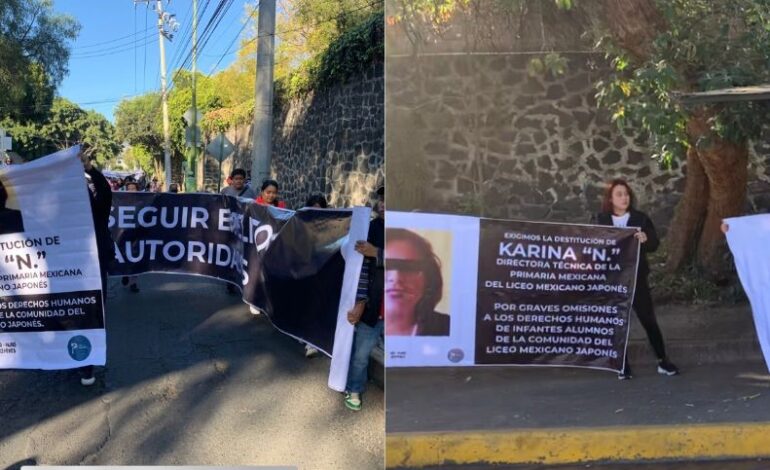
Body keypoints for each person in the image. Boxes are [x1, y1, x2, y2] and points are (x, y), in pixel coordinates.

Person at [593, 178, 679, 379]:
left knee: (649, 320)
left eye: (626, 194)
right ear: (611, 199)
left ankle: (662, 361)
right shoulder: (601, 219)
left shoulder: (640, 219)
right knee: (617, 323)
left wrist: (645, 239)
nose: (624, 198)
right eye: (619, 194)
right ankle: (621, 365)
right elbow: (594, 247)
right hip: (613, 280)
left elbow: (654, 245)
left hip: (637, 278)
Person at [344, 186, 384, 411]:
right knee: (361, 354)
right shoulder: (370, 228)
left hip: (404, 311)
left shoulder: (410, 229)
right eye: (382, 198)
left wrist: (378, 253)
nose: (384, 203)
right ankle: (355, 388)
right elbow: (361, 270)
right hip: (376, 307)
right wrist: (360, 302)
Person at [79, 150, 115, 386]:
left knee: (91, 312)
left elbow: (105, 192)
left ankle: (86, 365)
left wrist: (90, 169)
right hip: (65, 271)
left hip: (94, 264)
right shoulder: (56, 211)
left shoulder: (98, 208)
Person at [383, 229, 450, 337]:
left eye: (409, 268)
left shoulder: (448, 328)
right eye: (386, 266)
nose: (396, 278)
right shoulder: (356, 326)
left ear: (429, 278)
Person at [120, 181, 141, 293]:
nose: (131, 190)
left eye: (134, 188)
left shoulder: (143, 201)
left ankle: (133, 283)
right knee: (124, 257)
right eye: (129, 188)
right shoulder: (121, 202)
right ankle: (125, 274)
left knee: (136, 258)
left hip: (137, 234)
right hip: (124, 234)